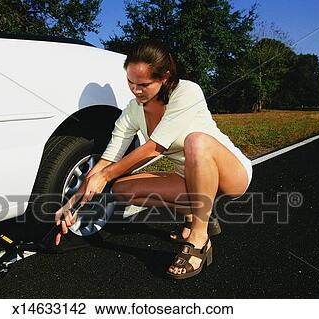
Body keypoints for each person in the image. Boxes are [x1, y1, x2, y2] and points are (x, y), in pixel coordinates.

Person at [54, 40, 253, 279]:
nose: (136, 90)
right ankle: (202, 214)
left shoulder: (187, 92)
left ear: (165, 77)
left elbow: (154, 148)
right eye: (130, 82)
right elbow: (109, 157)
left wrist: (104, 176)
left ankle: (199, 239)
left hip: (231, 175)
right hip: (189, 179)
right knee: (120, 188)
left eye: (144, 85)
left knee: (196, 141)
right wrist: (72, 202)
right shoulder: (133, 110)